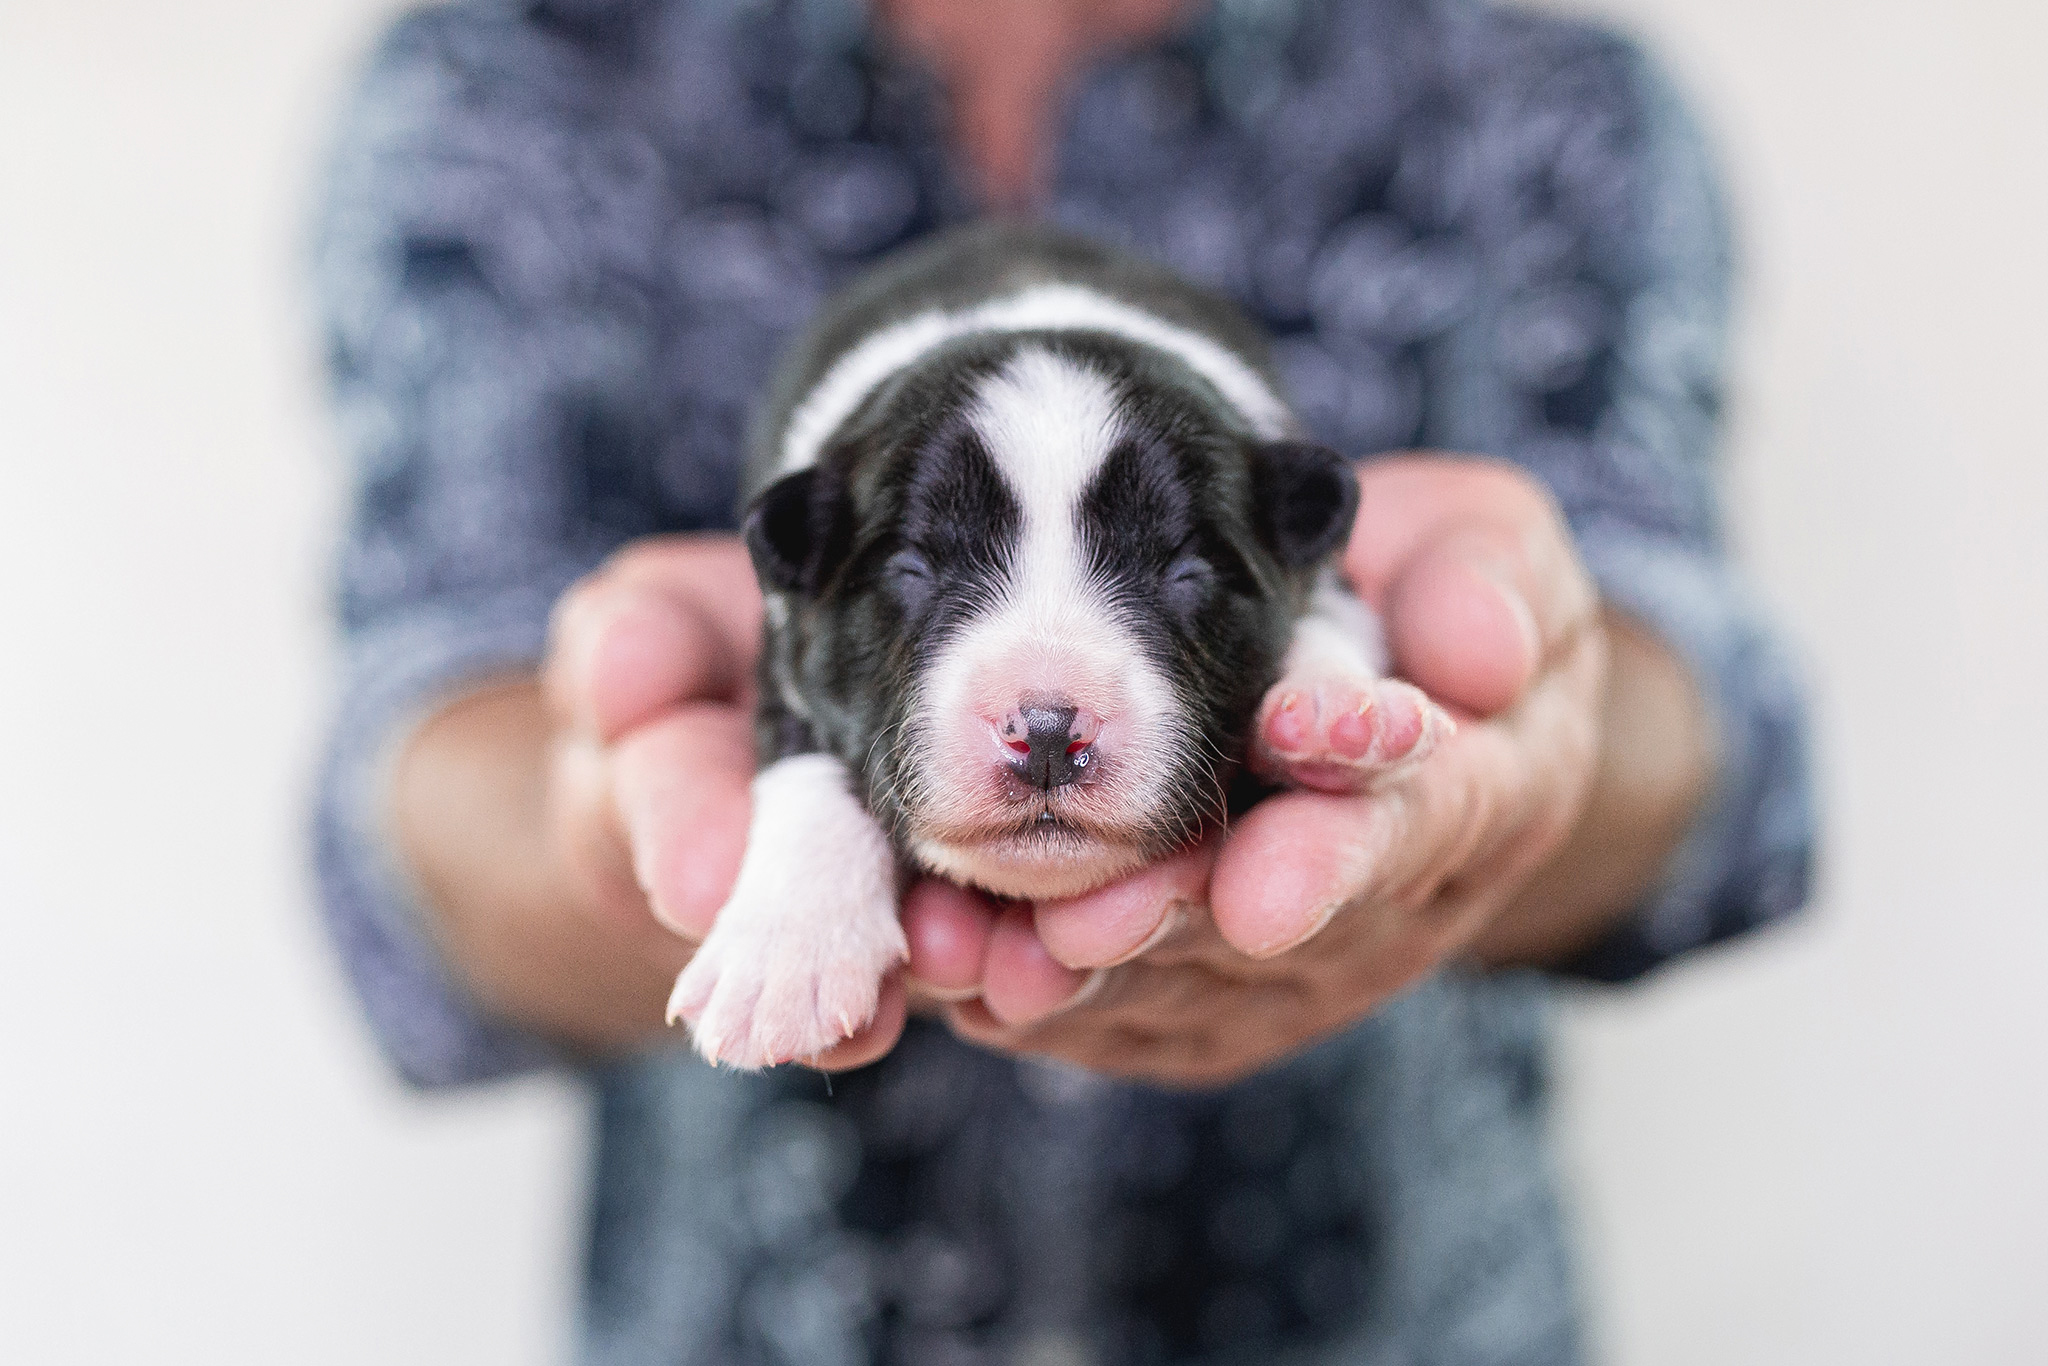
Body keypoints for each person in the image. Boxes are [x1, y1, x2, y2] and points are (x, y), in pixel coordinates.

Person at [311, 0, 1814, 1359]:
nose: (1040, 703)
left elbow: (1716, 721)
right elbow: (411, 745)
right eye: (923, 576)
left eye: (1166, 580)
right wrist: (666, 840)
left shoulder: (1535, 96)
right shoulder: (517, 80)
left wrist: (1539, 741)